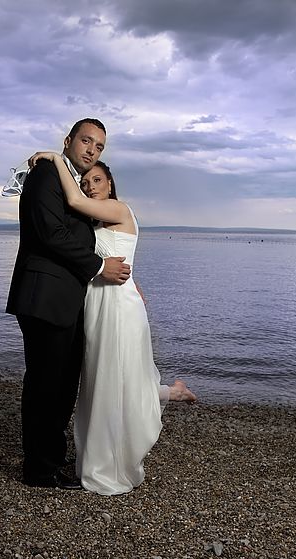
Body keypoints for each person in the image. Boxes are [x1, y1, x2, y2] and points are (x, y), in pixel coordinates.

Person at [27, 152, 197, 495]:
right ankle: (168, 394)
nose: (90, 187)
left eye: (97, 180)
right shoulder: (94, 223)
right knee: (102, 381)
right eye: (87, 181)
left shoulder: (120, 209)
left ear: (111, 184)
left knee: (112, 379)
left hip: (119, 308)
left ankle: (110, 467)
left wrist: (53, 158)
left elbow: (72, 199)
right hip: (97, 306)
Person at [6, 118, 132, 490]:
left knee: (62, 387)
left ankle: (51, 460)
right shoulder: (45, 174)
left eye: (99, 147)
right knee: (46, 385)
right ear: (69, 141)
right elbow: (50, 233)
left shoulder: (70, 183)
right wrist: (97, 266)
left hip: (66, 300)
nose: (92, 150)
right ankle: (39, 471)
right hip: (45, 296)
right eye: (86, 141)